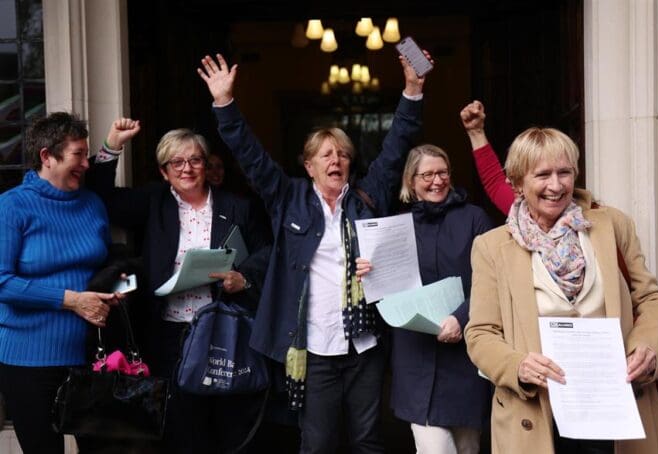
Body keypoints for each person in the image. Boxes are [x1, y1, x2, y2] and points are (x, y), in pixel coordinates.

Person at [197, 52, 432, 453]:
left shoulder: (366, 195)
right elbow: (250, 157)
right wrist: (224, 104)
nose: (336, 160)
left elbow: (395, 148)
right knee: (318, 443)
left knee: (367, 441)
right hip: (315, 345)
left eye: (341, 153)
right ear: (308, 166)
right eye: (326, 154)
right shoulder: (287, 197)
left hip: (364, 344)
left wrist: (412, 89)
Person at [463, 124, 658, 453]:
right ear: (517, 183)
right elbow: (480, 333)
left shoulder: (612, 225)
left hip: (614, 406)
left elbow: (651, 299)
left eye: (565, 172)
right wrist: (516, 365)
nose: (556, 185)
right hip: (537, 413)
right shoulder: (491, 247)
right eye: (542, 174)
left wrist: (649, 345)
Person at [85, 120, 270, 453]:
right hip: (170, 335)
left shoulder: (237, 206)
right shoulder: (155, 202)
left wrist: (243, 279)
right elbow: (102, 198)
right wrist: (112, 145)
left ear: (207, 163)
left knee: (230, 424)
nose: (187, 169)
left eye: (195, 160)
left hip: (224, 331)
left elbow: (268, 254)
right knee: (181, 428)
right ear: (164, 171)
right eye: (177, 163)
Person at [355, 144, 493, 454]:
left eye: (443, 172)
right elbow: (385, 294)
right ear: (411, 181)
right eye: (427, 174)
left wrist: (461, 318)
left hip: (466, 356)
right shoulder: (394, 226)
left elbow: (492, 282)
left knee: (468, 448)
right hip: (416, 356)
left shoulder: (475, 219)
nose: (437, 181)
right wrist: (369, 274)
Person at [0, 112, 122, 454]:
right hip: (28, 362)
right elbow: (1, 282)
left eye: (87, 154)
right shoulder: (11, 207)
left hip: (90, 357)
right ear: (47, 156)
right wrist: (71, 300)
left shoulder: (92, 204)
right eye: (78, 155)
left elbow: (102, 265)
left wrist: (117, 289)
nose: (87, 163)